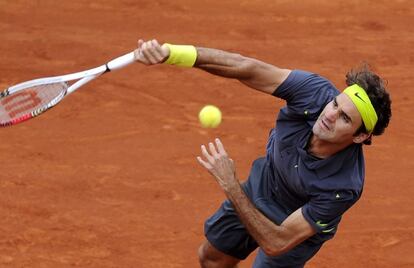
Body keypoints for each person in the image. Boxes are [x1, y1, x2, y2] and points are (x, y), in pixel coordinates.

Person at [133, 39, 392, 268]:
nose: (330, 114)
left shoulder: (342, 187)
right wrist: (172, 53)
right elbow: (245, 67)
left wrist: (231, 185)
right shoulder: (314, 93)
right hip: (262, 188)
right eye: (336, 103)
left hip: (293, 230)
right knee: (211, 260)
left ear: (360, 136)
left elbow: (276, 242)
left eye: (345, 118)